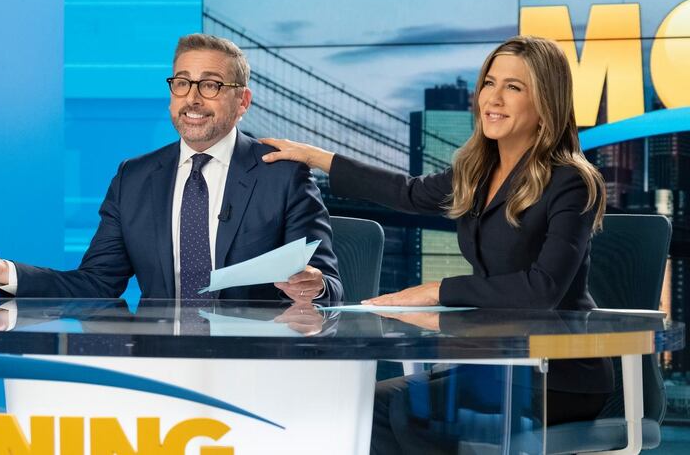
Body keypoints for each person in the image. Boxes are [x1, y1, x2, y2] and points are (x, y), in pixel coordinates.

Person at [261, 36, 612, 451]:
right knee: (365, 407)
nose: (492, 99)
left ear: (546, 103)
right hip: (497, 367)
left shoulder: (570, 180)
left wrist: (437, 291)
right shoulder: (478, 171)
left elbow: (543, 290)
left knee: (412, 412)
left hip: (561, 375)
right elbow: (406, 193)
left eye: (513, 88)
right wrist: (316, 157)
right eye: (489, 83)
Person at [0, 34, 342, 303]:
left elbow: (332, 286)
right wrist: (5, 271)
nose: (192, 98)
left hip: (259, 367)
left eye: (210, 85)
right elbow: (96, 284)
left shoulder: (282, 174)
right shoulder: (134, 178)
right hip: (158, 363)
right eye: (182, 83)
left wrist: (314, 286)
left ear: (242, 102)